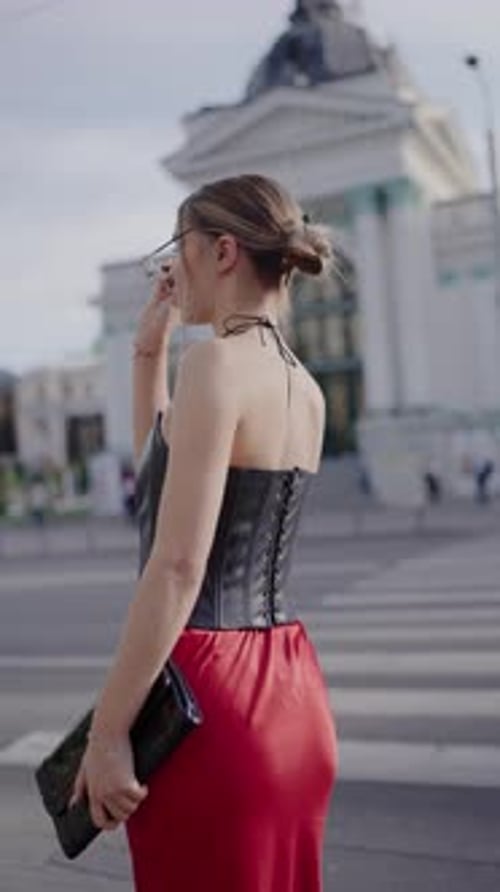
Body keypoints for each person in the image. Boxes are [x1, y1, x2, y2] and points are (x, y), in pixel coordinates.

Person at [69, 174, 338, 890]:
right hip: (289, 690)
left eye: (177, 245)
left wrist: (106, 734)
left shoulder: (217, 364)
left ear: (222, 251)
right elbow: (160, 473)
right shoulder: (302, 389)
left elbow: (178, 564)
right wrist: (148, 349)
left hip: (205, 701)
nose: (171, 266)